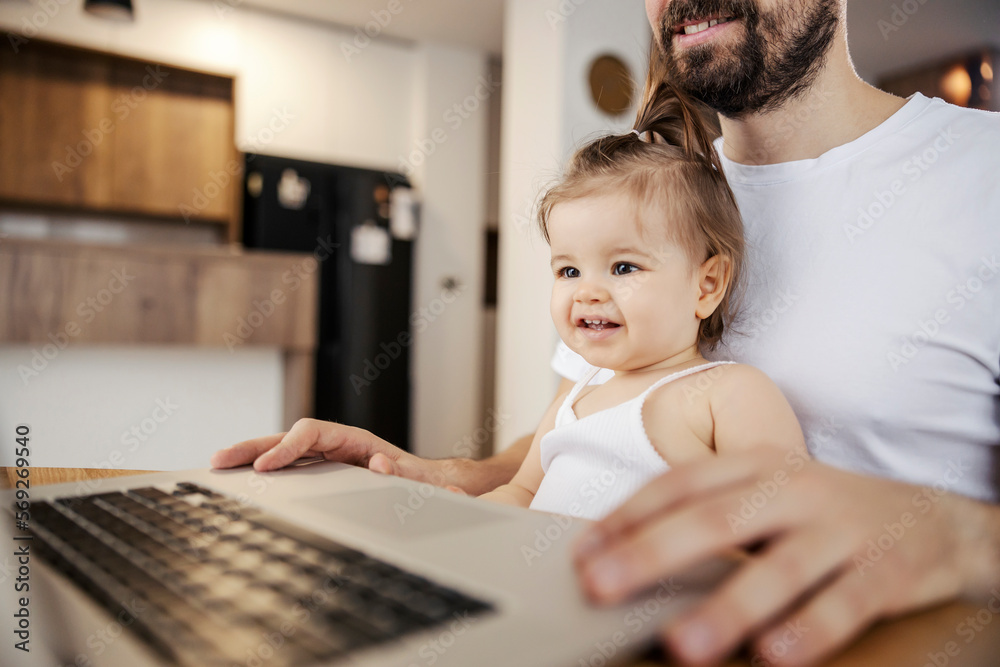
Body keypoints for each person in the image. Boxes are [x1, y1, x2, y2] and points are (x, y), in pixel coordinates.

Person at [213, 0, 1000, 664]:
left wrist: (963, 537)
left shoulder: (983, 176)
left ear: (710, 283)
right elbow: (567, 436)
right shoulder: (657, 194)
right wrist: (436, 477)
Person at [476, 80, 806, 518]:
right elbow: (519, 493)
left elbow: (785, 521)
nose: (588, 293)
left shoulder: (726, 393)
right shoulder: (577, 396)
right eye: (569, 271)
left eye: (624, 268)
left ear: (706, 286)